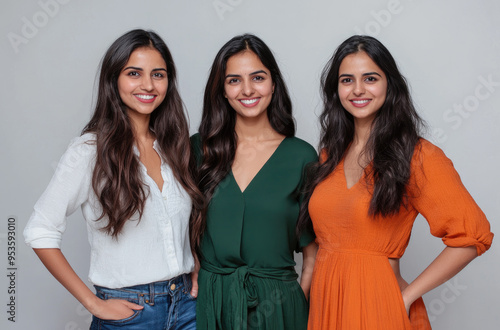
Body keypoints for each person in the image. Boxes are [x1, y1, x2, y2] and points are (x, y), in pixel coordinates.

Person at [299, 35, 494, 329]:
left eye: (370, 78)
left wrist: (405, 297)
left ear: (390, 84)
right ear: (336, 89)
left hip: (378, 304)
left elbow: (472, 235)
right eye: (347, 80)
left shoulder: (417, 156)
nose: (358, 89)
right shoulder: (328, 156)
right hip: (326, 303)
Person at [23, 29, 203, 329]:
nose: (148, 84)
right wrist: (92, 303)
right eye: (134, 73)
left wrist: (195, 264)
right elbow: (39, 230)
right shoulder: (90, 150)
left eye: (158, 74)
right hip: (131, 312)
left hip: (188, 306)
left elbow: (183, 223)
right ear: (114, 79)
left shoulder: (175, 146)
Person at [190, 34, 318, 329]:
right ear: (221, 89)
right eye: (234, 80)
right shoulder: (198, 150)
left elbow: (313, 253)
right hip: (213, 302)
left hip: (279, 306)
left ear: (273, 83)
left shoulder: (300, 156)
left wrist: (295, 302)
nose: (247, 89)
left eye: (257, 77)